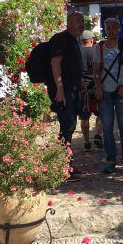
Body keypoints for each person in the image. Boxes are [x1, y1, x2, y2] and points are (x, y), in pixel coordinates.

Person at [94, 18, 123, 173]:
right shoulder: (99, 47)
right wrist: (98, 86)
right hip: (105, 92)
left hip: (121, 92)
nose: (111, 30)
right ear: (105, 29)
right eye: (108, 28)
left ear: (119, 29)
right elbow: (96, 70)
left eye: (114, 27)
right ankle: (111, 159)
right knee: (107, 127)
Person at [48, 11, 84, 152]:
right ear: (69, 23)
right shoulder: (60, 39)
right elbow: (55, 63)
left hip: (72, 89)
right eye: (78, 21)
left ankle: (65, 163)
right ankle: (63, 164)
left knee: (70, 125)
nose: (82, 24)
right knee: (67, 125)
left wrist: (80, 81)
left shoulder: (74, 41)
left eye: (82, 21)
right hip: (63, 90)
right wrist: (60, 88)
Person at [79, 29, 103, 150]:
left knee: (84, 117)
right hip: (96, 85)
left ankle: (86, 142)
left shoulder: (77, 52)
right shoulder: (96, 51)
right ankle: (98, 135)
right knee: (100, 113)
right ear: (92, 40)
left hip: (83, 88)